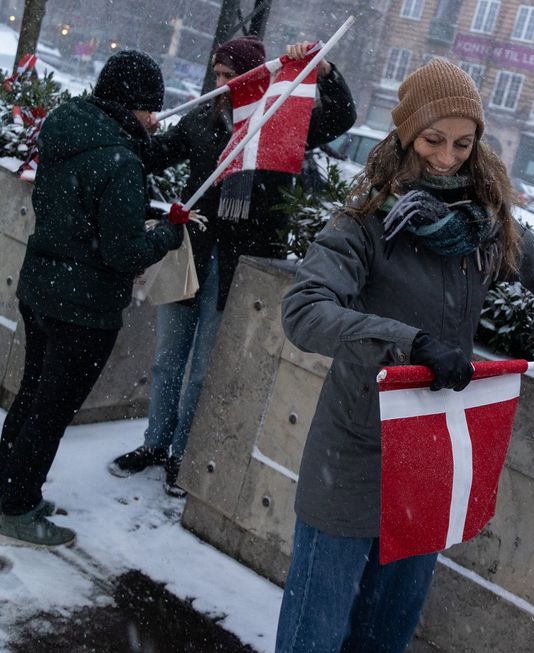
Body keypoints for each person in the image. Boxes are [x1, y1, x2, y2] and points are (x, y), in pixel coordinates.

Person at [275, 58, 534, 653]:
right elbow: (303, 311)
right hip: (357, 446)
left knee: (387, 631)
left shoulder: (487, 229)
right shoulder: (364, 224)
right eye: (434, 140)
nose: (448, 156)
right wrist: (408, 342)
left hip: (431, 453)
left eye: (464, 143)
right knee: (316, 630)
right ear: (407, 136)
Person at [107, 36, 357, 497]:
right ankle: (154, 444)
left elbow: (342, 118)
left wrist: (325, 73)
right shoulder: (203, 120)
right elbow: (152, 155)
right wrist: (134, 125)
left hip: (238, 264)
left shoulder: (278, 117)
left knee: (203, 368)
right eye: (217, 75)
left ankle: (182, 451)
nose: (221, 83)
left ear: (253, 76)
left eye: (229, 75)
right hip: (189, 255)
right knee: (166, 361)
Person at [0, 51, 184, 547]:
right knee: (52, 411)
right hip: (84, 310)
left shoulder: (72, 133)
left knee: (32, 397)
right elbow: (124, 252)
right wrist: (168, 235)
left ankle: (7, 487)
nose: (156, 118)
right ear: (129, 104)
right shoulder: (120, 162)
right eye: (150, 108)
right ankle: (17, 508)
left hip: (41, 291)